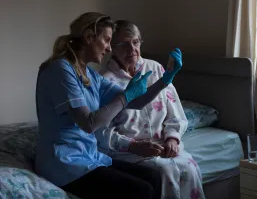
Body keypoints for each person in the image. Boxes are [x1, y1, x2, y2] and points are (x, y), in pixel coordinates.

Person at [35, 12, 180, 199]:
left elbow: (134, 101)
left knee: (154, 176)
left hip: (87, 156)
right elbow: (89, 123)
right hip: (64, 163)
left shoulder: (89, 74)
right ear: (89, 38)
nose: (109, 48)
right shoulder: (60, 69)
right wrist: (126, 96)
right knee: (141, 190)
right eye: (107, 40)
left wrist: (165, 79)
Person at [97, 20, 205, 199]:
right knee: (164, 172)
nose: (131, 49)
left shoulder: (156, 68)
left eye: (135, 42)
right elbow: (101, 132)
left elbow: (175, 112)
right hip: (129, 151)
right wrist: (134, 146)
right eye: (123, 44)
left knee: (190, 167)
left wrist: (173, 138)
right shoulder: (105, 81)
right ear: (111, 48)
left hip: (163, 145)